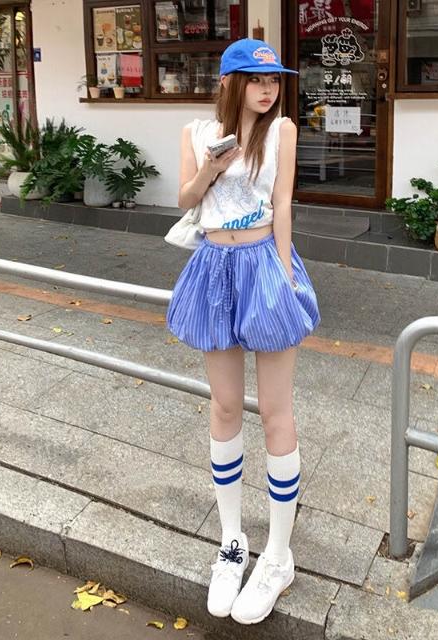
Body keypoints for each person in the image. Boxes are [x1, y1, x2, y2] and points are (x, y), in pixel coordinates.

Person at [166, 38, 320, 626]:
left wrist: (283, 274)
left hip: (262, 264)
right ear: (230, 83)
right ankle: (232, 541)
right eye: (256, 80)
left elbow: (283, 205)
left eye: (274, 80)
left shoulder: (282, 131)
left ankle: (278, 555)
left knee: (276, 412)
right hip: (213, 268)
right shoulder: (196, 133)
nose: (268, 89)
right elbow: (184, 199)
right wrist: (211, 166)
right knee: (226, 406)